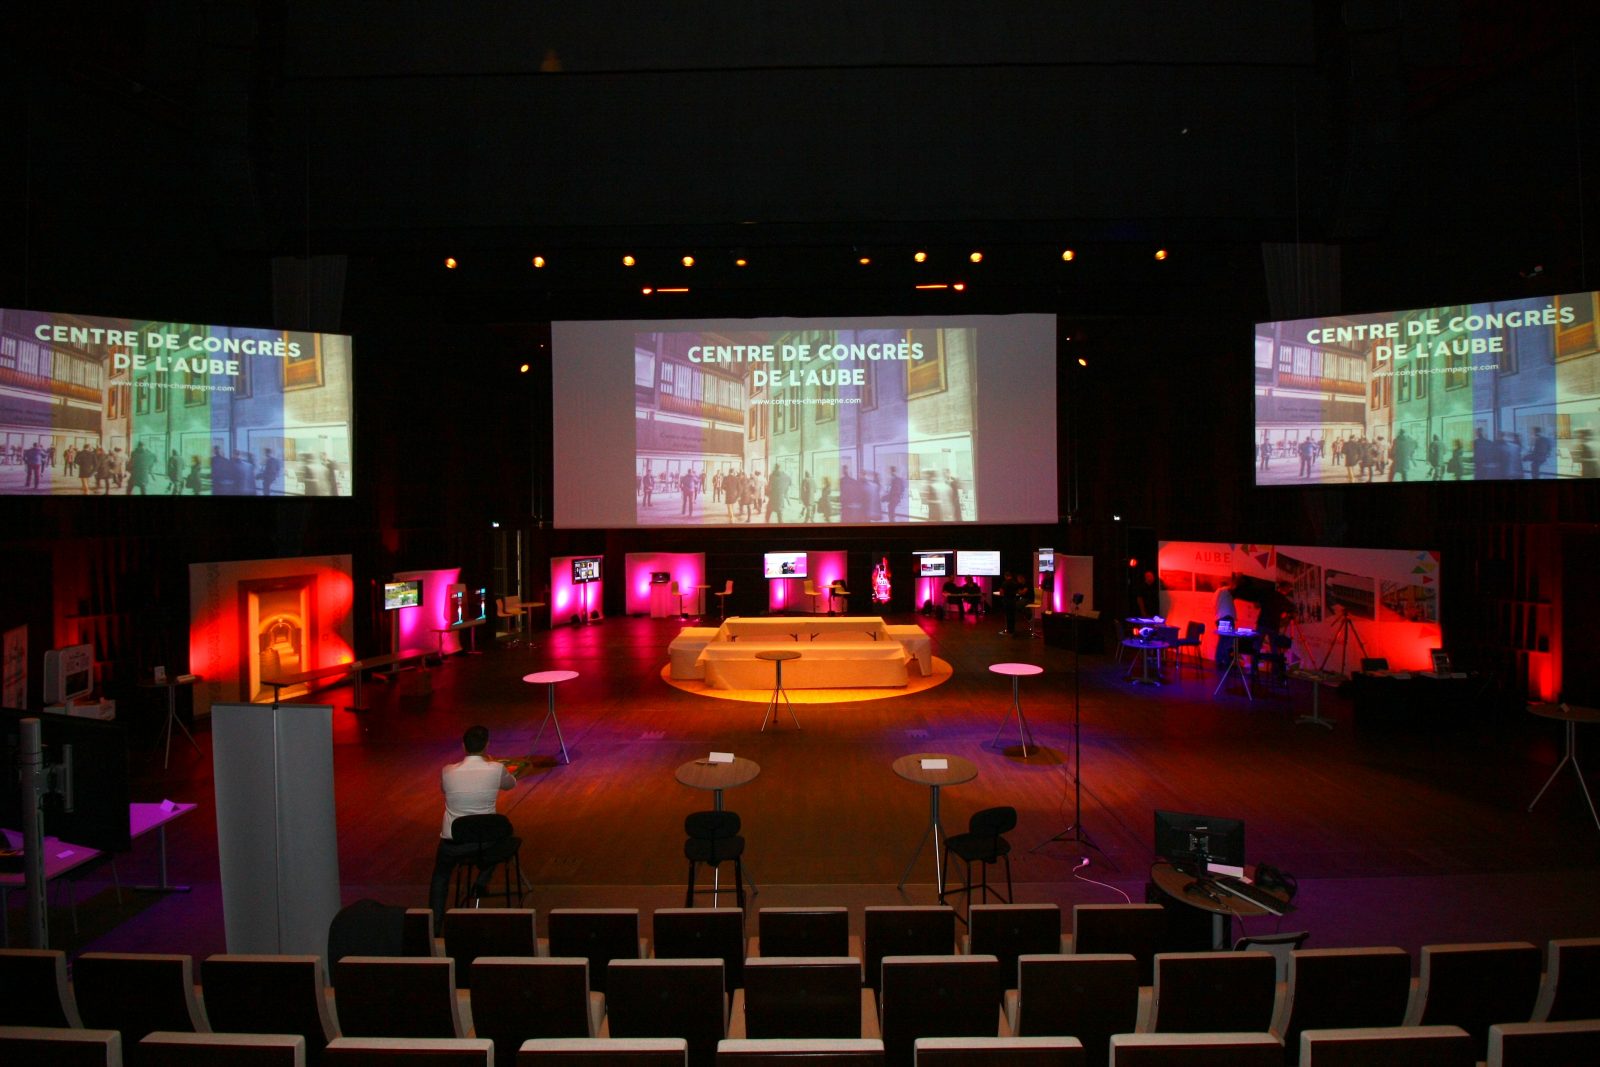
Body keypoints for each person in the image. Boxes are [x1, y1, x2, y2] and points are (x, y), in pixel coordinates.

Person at [428, 724, 517, 922]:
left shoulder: (447, 771)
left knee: (441, 875)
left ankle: (434, 923)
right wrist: (492, 763)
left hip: (454, 843)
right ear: (487, 745)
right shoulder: (496, 769)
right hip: (485, 843)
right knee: (503, 836)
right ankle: (482, 882)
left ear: (463, 746)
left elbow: (444, 789)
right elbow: (511, 784)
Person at [1212, 575, 1237, 667]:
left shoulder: (1217, 594)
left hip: (1221, 618)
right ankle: (1224, 661)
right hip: (1226, 618)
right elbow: (1233, 587)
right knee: (1226, 640)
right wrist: (1236, 578)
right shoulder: (1224, 590)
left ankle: (1221, 660)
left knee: (1223, 639)